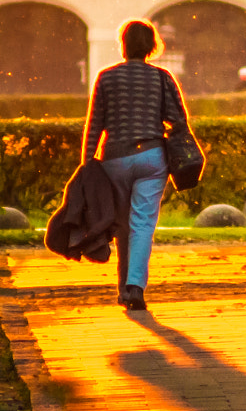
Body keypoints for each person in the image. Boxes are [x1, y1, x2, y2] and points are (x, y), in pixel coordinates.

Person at [82, 19, 196, 312]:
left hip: (115, 158)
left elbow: (95, 124)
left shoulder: (106, 77)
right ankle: (135, 288)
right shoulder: (161, 77)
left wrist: (87, 164)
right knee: (142, 224)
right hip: (151, 156)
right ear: (152, 46)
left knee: (121, 226)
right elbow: (179, 119)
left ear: (123, 44)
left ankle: (123, 288)